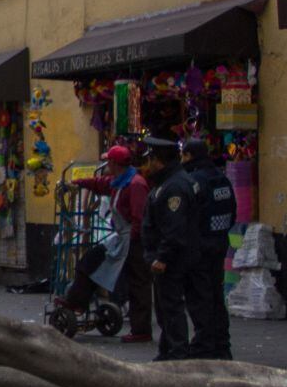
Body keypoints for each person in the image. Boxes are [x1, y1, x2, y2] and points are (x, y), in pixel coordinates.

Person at [73, 145, 154, 342]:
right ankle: (77, 301)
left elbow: (139, 218)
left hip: (133, 240)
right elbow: (102, 184)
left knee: (138, 284)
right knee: (90, 262)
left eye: (108, 161)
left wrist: (131, 243)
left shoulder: (135, 184)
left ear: (114, 164)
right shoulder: (119, 182)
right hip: (122, 237)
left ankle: (141, 330)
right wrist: (79, 183)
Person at [140, 138, 200, 361]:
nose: (148, 163)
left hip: (173, 259)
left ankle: (177, 353)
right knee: (166, 308)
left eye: (151, 158)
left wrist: (162, 257)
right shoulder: (168, 182)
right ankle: (168, 350)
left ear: (159, 160)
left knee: (171, 307)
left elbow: (174, 228)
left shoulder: (173, 186)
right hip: (172, 255)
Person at [183, 138, 236, 360]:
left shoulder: (195, 181)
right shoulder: (222, 179)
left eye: (184, 154)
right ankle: (221, 345)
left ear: (190, 155)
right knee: (216, 296)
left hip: (201, 247)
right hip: (219, 243)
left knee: (200, 297)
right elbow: (232, 213)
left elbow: (190, 216)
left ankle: (203, 345)